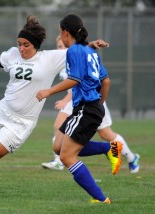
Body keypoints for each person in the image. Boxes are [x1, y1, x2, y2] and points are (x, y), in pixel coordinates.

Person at [0, 15, 109, 196]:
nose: (21, 48)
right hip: (2, 110)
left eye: (26, 45)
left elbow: (79, 50)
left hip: (21, 123)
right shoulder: (11, 55)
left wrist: (92, 44)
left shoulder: (50, 58)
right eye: (19, 43)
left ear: (35, 45)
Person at [36, 14, 113, 204]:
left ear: (64, 31)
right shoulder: (90, 52)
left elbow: (75, 80)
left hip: (85, 108)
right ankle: (109, 148)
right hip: (90, 107)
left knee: (66, 157)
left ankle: (102, 199)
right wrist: (100, 105)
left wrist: (49, 91)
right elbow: (106, 81)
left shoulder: (74, 51)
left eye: (59, 32)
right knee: (58, 146)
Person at [41, 36, 140, 173]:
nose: (62, 49)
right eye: (59, 47)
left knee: (106, 134)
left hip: (90, 101)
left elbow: (77, 81)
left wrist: (62, 98)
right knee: (58, 126)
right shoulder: (65, 59)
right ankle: (59, 161)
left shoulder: (77, 56)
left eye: (63, 46)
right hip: (76, 102)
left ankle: (131, 157)